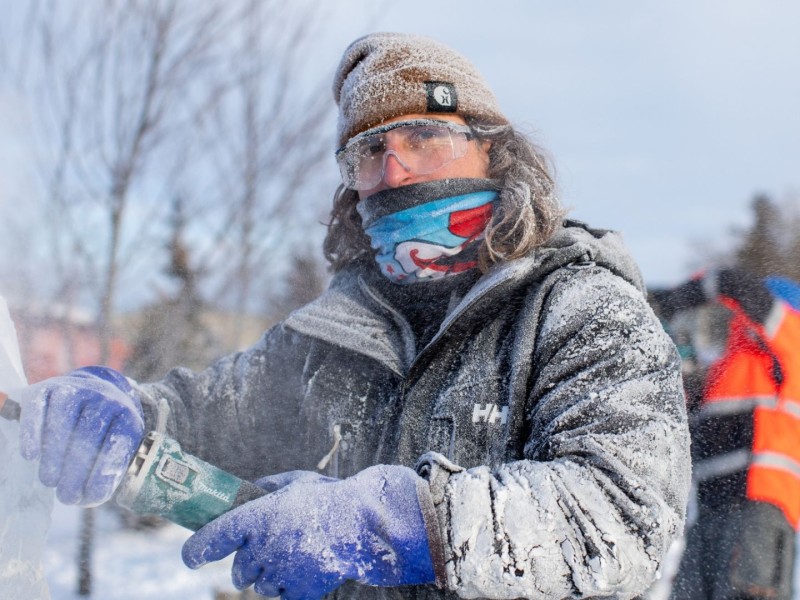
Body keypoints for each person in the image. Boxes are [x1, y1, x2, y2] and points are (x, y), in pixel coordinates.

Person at [16, 32, 691, 599]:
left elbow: (624, 516)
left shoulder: (581, 308)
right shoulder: (335, 332)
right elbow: (208, 415)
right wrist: (123, 414)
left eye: (424, 137)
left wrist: (393, 524)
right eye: (369, 151)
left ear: (493, 149)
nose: (394, 171)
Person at [652, 269, 800, 600]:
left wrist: (668, 300)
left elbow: (733, 283)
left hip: (760, 508)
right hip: (710, 513)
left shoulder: (793, 340)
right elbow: (687, 420)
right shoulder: (731, 368)